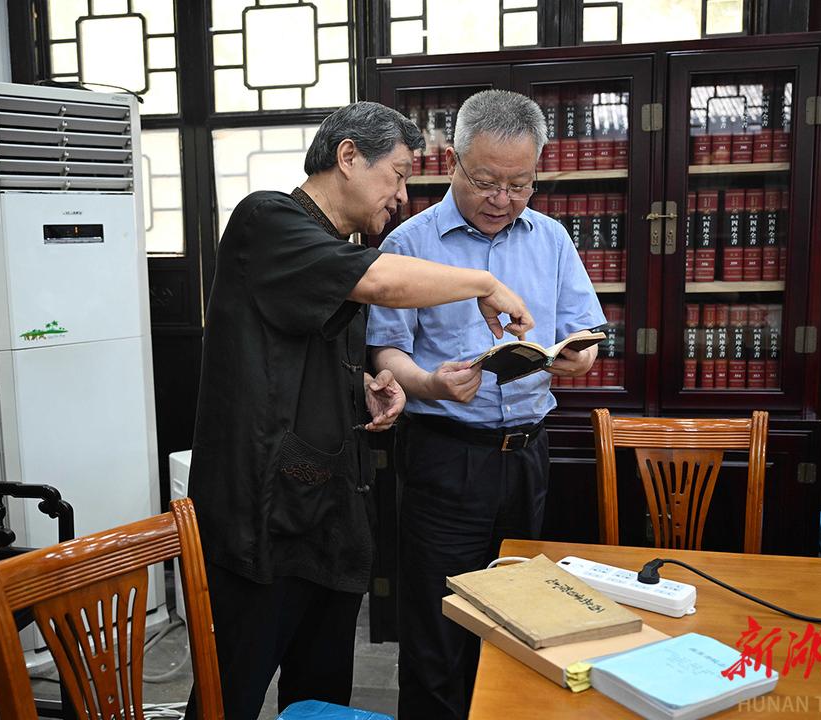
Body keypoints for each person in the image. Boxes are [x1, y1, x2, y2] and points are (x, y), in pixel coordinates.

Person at [186, 101, 535, 720]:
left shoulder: (332, 248)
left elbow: (297, 358)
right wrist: (483, 283)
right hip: (262, 515)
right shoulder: (266, 219)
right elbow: (379, 282)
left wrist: (370, 386)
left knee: (320, 698)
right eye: (397, 175)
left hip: (328, 511)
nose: (401, 197)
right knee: (231, 694)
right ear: (348, 156)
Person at [365, 89, 606, 720]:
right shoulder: (410, 242)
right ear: (454, 161)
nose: (502, 199)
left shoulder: (551, 239)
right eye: (485, 182)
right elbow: (386, 353)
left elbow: (585, 329)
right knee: (438, 632)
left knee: (522, 621)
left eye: (519, 185)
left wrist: (580, 357)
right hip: (445, 458)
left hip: (527, 456)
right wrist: (430, 384)